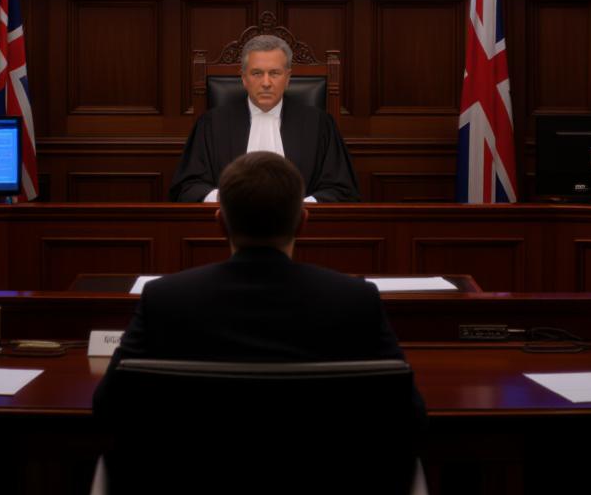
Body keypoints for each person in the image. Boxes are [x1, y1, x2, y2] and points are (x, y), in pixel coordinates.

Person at [98, 151, 422, 411]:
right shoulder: (357, 300)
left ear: (220, 223)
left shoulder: (163, 299)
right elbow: (410, 415)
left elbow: (106, 406)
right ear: (303, 222)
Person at [169, 35, 359, 202]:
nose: (266, 83)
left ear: (288, 78)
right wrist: (225, 199)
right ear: (244, 78)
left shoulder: (319, 124)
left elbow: (342, 190)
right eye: (257, 73)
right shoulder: (212, 124)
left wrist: (299, 208)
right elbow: (186, 188)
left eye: (274, 73)